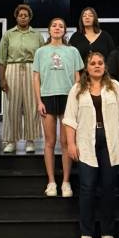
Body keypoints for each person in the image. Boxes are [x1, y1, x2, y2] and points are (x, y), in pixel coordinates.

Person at [63, 52, 119, 238]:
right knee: (87, 189)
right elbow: (69, 119)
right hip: (86, 143)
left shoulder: (115, 87)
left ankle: (107, 232)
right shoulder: (77, 89)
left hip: (110, 142)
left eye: (100, 63)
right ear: (86, 67)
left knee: (109, 188)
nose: (96, 66)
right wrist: (71, 144)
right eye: (92, 63)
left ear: (105, 66)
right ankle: (86, 233)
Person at [33, 18, 83, 197]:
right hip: (47, 97)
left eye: (61, 26)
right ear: (49, 30)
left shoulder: (73, 51)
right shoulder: (40, 52)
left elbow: (78, 78)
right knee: (49, 142)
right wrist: (39, 101)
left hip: (68, 97)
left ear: (65, 31)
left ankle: (66, 182)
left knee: (66, 142)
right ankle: (52, 181)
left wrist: (76, 100)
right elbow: (36, 78)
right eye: (54, 25)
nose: (57, 28)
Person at [0, 4, 45, 154]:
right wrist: (2, 79)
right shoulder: (8, 35)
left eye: (26, 15)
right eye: (20, 15)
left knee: (32, 105)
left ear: (30, 17)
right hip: (12, 69)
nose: (23, 17)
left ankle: (30, 140)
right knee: (12, 107)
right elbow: (1, 59)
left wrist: (42, 79)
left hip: (32, 69)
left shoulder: (37, 35)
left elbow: (43, 58)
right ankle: (11, 140)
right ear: (16, 17)